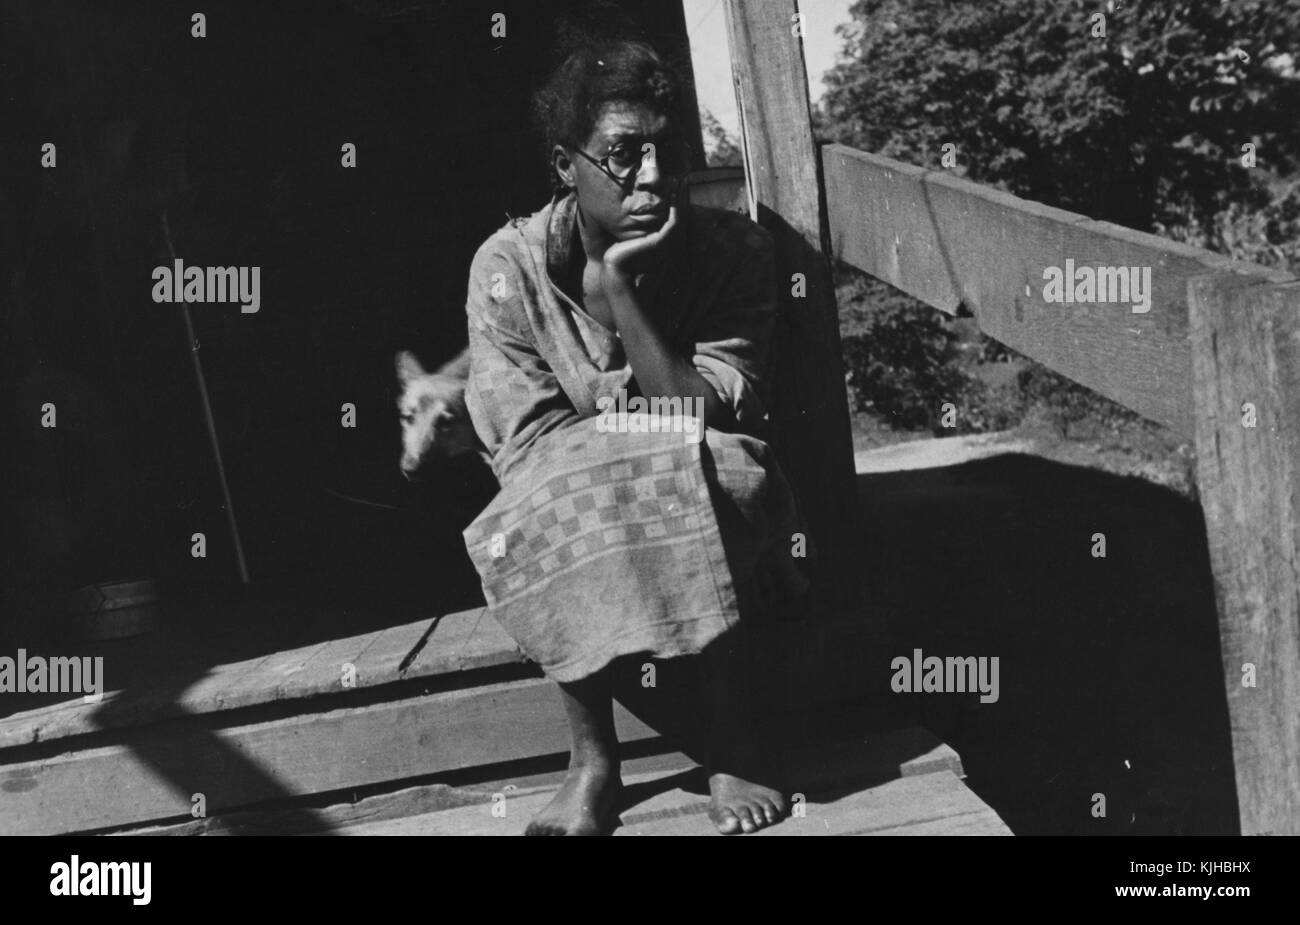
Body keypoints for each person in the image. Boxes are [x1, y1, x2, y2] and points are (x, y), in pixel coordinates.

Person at [461, 38, 808, 835]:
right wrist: (623, 439)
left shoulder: (734, 254)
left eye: (665, 151)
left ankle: (728, 736)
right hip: (571, 494)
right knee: (543, 497)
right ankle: (592, 759)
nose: (652, 176)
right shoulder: (505, 270)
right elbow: (522, 446)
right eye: (623, 154)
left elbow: (709, 414)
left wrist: (621, 287)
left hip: (710, 477)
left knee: (709, 471)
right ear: (564, 164)